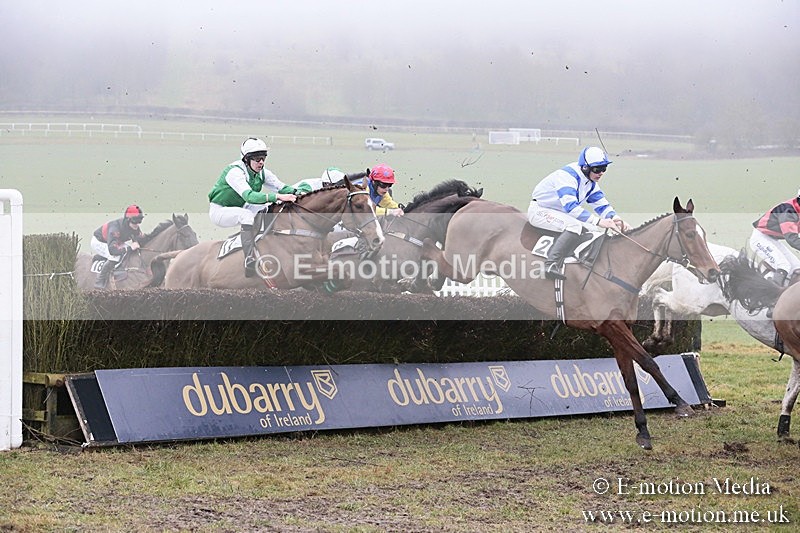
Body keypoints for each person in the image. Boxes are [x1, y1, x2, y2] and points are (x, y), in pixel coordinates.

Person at [528, 146, 631, 280]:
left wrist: (616, 219)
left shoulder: (590, 182)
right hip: (540, 211)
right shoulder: (567, 177)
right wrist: (600, 221)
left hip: (560, 212)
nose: (601, 173)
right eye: (597, 169)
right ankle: (550, 264)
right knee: (575, 226)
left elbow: (602, 205)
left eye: (604, 168)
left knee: (594, 230)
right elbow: (571, 207)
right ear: (585, 167)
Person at [208, 137, 298, 277]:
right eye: (257, 159)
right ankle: (249, 259)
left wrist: (302, 194)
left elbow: (282, 188)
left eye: (263, 158)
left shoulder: (262, 172)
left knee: (270, 207)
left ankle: (269, 242)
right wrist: (278, 197)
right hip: (220, 210)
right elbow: (249, 196)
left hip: (243, 206)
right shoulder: (235, 172)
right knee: (247, 216)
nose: (261, 162)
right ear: (246, 159)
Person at [750, 188, 800, 287]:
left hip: (772, 239)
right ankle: (773, 295)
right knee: (783, 265)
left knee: (797, 267)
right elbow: (792, 239)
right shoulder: (788, 211)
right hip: (760, 238)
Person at [91, 204, 146, 289]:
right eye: (135, 221)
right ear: (128, 220)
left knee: (127, 251)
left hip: (116, 242)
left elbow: (140, 239)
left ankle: (103, 257)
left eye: (139, 221)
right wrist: (130, 248)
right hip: (100, 241)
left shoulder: (135, 227)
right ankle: (99, 281)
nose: (137, 224)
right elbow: (113, 250)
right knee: (115, 257)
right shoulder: (115, 229)